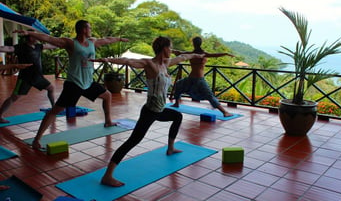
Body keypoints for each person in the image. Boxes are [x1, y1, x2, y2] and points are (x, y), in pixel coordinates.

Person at [89, 36, 204, 187]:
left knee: (177, 116)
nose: (171, 50)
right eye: (170, 47)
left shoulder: (166, 63)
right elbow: (128, 61)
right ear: (164, 48)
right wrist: (107, 60)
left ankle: (170, 148)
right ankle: (107, 175)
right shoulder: (150, 64)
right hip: (150, 111)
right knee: (133, 141)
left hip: (160, 109)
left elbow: (183, 57)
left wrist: (196, 55)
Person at [14, 20, 129, 150]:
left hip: (88, 83)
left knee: (107, 95)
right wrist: (30, 33)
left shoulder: (92, 42)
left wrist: (119, 39)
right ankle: (37, 139)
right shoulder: (70, 43)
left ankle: (108, 121)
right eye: (89, 27)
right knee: (55, 111)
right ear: (83, 29)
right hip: (74, 84)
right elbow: (50, 38)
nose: (91, 30)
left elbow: (107, 40)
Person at [171, 36, 235, 117]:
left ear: (193, 44)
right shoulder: (198, 54)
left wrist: (170, 50)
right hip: (193, 78)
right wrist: (226, 53)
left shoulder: (196, 54)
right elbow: (215, 55)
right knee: (179, 84)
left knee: (209, 95)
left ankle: (224, 112)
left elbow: (179, 52)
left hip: (197, 79)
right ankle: (176, 103)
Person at [0, 35, 56, 123]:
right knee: (14, 97)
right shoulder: (21, 47)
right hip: (25, 78)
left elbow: (52, 45)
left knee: (51, 88)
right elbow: (8, 48)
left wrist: (65, 44)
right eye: (35, 37)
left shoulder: (38, 46)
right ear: (30, 38)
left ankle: (54, 109)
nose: (38, 38)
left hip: (38, 77)